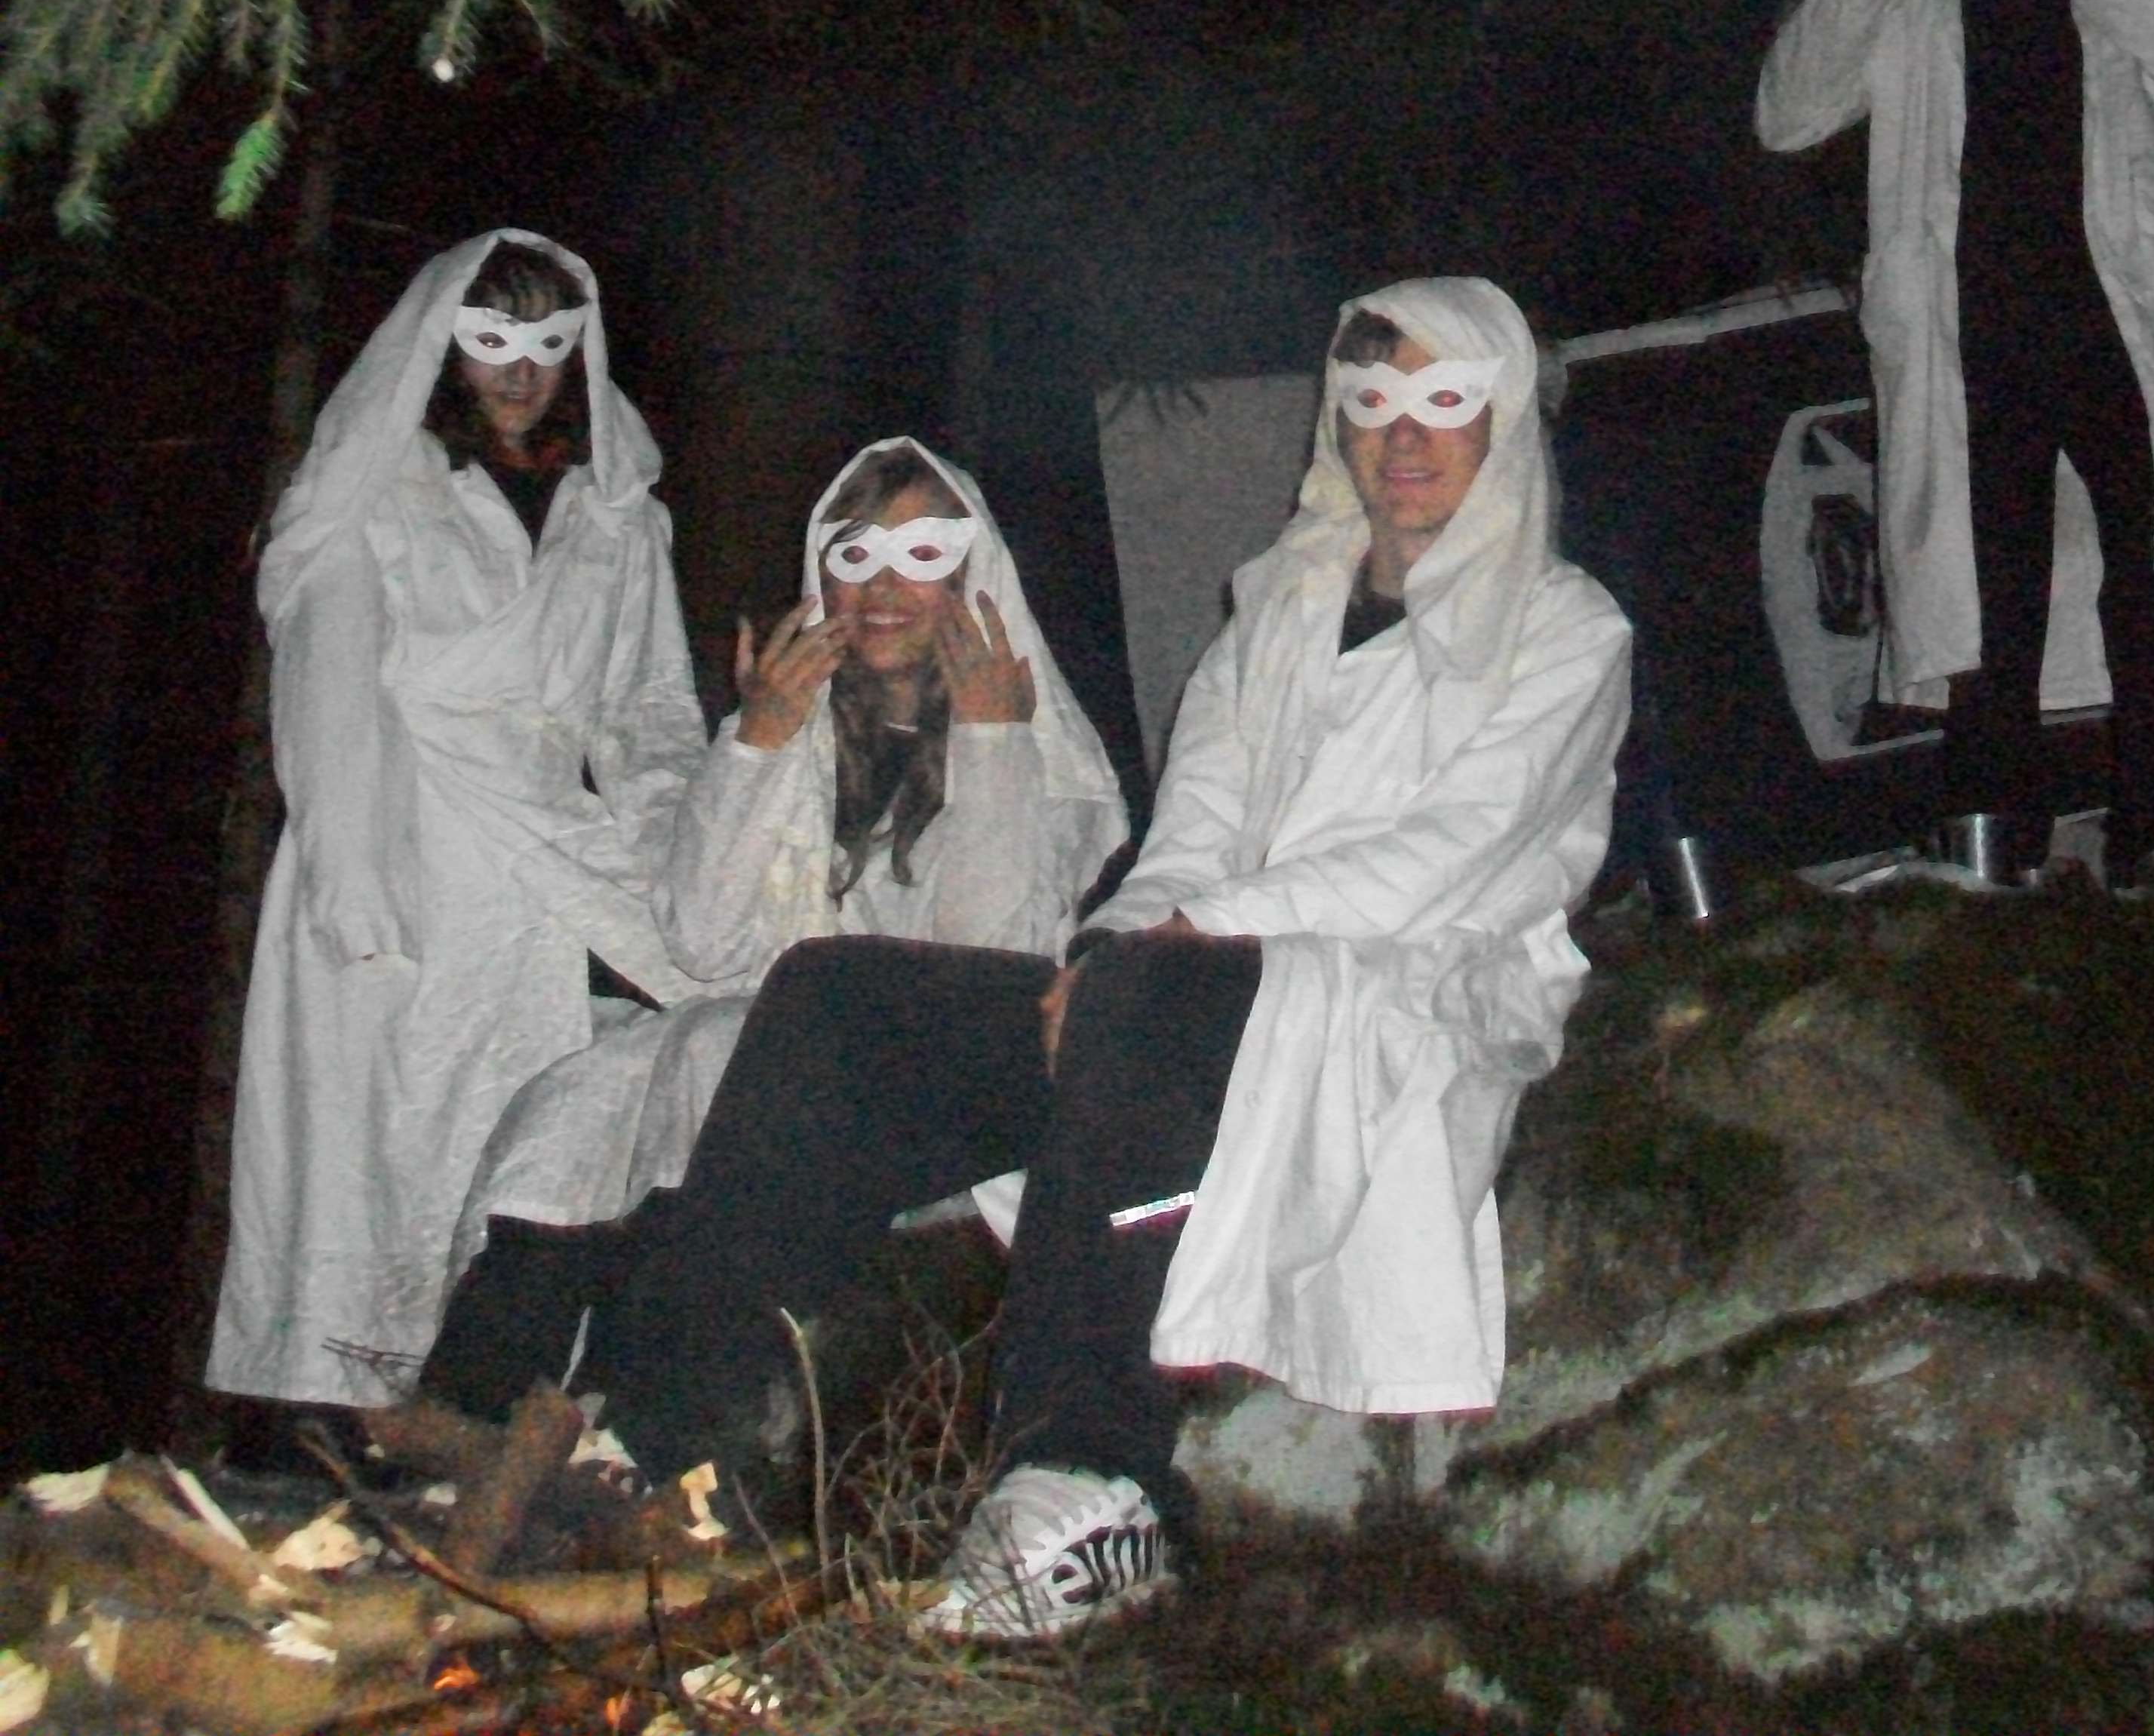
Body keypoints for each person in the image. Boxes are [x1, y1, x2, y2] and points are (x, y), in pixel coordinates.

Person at [575, 275, 1631, 1638]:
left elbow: (1452, 853)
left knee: (1145, 988)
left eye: (1446, 400)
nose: (1406, 436)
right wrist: (1120, 944)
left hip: (1398, 992)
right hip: (1184, 988)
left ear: (1503, 419)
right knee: (838, 998)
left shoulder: (1566, 629)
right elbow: (1190, 830)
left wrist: (1182, 940)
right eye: (1375, 401)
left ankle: (1091, 1475)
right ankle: (662, 1438)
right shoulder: (1278, 615)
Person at [419, 438, 1129, 1419]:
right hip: (780, 1066)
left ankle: (638, 1422)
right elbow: (705, 941)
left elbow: (984, 962)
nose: (885, 587)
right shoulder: (799, 738)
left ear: (974, 578)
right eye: (856, 555)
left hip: (949, 1095)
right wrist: (756, 744)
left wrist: (993, 742)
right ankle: (474, 1407)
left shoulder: (1037, 754)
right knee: (594, 1089)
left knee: (716, 1049)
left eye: (922, 554)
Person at [208, 232, 709, 1408]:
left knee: (529, 1138)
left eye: (548, 342)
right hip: (402, 840)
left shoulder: (615, 511)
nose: (521, 372)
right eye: (492, 341)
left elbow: (647, 710)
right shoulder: (379, 490)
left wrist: (676, 858)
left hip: (553, 862)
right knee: (371, 1146)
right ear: (441, 344)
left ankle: (488, 1411)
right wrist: (355, 879)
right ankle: (327, 1424)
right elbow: (332, 694)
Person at [1756, 0, 2154, 895]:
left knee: (2152, 572)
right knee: (1991, 593)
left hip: (2109, 315)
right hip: (1967, 328)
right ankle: (1994, 843)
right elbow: (1787, 116)